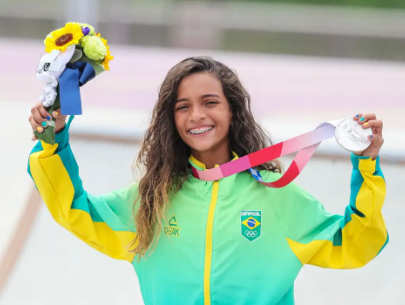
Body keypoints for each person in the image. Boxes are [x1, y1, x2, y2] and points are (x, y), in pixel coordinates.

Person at [27, 57, 388, 305]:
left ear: (233, 110)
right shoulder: (151, 200)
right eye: (183, 106)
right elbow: (75, 209)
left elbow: (355, 243)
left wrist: (367, 165)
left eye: (210, 102)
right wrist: (53, 140)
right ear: (172, 119)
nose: (196, 115)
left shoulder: (276, 198)